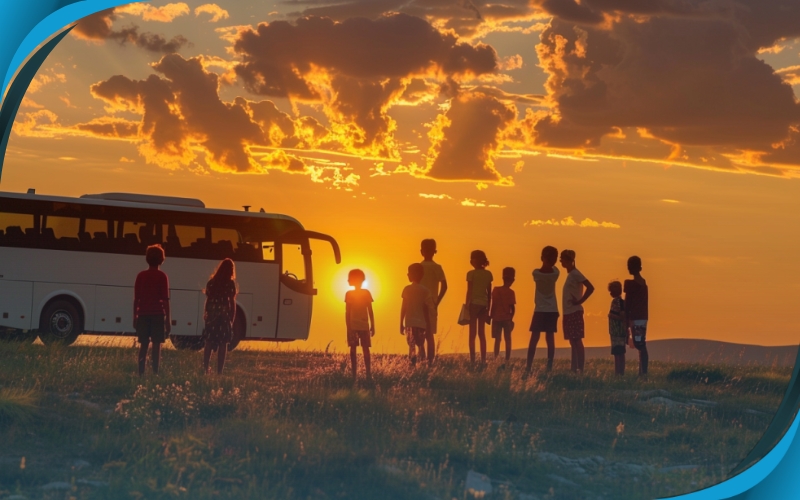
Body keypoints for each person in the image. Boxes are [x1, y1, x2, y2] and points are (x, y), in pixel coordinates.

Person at [133, 244, 171, 376]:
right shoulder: (162, 276)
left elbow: (136, 299)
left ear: (147, 258)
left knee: (143, 345)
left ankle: (141, 373)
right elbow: (165, 300)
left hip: (143, 314)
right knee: (156, 345)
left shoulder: (141, 276)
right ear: (162, 259)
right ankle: (155, 372)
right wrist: (168, 320)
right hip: (158, 315)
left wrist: (135, 316)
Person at [560, 249, 594, 374]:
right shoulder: (571, 275)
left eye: (562, 258)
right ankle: (574, 368)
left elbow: (590, 287)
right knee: (572, 340)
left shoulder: (575, 273)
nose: (560, 261)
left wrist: (580, 301)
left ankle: (580, 368)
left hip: (574, 311)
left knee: (577, 340)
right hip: (568, 312)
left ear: (569, 260)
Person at [202, 258, 238, 375]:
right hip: (224, 317)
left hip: (212, 315)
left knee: (209, 341)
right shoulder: (230, 284)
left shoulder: (211, 282)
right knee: (223, 343)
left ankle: (205, 368)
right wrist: (232, 317)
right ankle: (219, 372)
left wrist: (206, 312)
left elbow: (208, 299)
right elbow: (232, 302)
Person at [528, 246, 560, 374]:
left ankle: (529, 365)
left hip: (539, 310)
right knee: (550, 338)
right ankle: (549, 366)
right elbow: (555, 268)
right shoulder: (555, 274)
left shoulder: (536, 273)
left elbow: (539, 270)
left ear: (542, 258)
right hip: (552, 309)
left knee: (534, 338)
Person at [420, 239, 447, 363]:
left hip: (420, 304)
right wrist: (437, 301)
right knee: (429, 334)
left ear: (421, 252)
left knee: (421, 333)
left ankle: (423, 359)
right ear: (434, 251)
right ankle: (429, 360)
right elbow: (444, 286)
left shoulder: (419, 267)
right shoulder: (436, 267)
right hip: (431, 303)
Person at [345, 269, 375, 381]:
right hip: (358, 325)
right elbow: (370, 311)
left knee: (359, 349)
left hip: (359, 325)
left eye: (349, 278)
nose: (348, 280)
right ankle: (362, 374)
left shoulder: (362, 293)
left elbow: (369, 310)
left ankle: (363, 374)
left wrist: (372, 325)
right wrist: (372, 325)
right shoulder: (351, 294)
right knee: (361, 349)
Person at [400, 263, 433, 365]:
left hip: (410, 323)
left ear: (413, 274)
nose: (408, 275)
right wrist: (428, 325)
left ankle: (412, 366)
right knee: (421, 345)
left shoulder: (406, 289)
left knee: (411, 346)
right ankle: (423, 364)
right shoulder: (425, 290)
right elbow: (426, 310)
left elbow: (403, 307)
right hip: (421, 324)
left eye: (409, 273)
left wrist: (401, 323)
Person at [466, 250, 493, 364]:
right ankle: (483, 360)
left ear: (475, 261)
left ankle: (472, 359)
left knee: (472, 333)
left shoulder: (471, 274)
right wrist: (489, 307)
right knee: (482, 333)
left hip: (473, 304)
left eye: (472, 258)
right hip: (484, 305)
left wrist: (466, 305)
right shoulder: (488, 274)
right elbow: (489, 292)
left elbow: (469, 291)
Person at [624, 256, 649, 378]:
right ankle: (642, 372)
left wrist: (626, 318)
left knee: (640, 344)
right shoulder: (643, 283)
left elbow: (628, 302)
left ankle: (643, 372)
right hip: (642, 317)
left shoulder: (630, 284)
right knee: (640, 344)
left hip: (636, 317)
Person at [490, 267, 516, 365]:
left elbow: (494, 304)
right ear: (512, 280)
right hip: (507, 319)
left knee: (497, 339)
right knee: (508, 339)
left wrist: (491, 316)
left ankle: (495, 357)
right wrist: (511, 318)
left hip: (496, 318)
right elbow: (512, 308)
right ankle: (507, 359)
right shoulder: (511, 292)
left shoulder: (496, 290)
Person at [607, 281, 627, 376]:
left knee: (617, 354)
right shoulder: (622, 302)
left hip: (616, 332)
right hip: (621, 332)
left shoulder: (616, 302)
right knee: (621, 353)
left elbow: (620, 316)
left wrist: (610, 315)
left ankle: (618, 372)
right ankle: (621, 372)